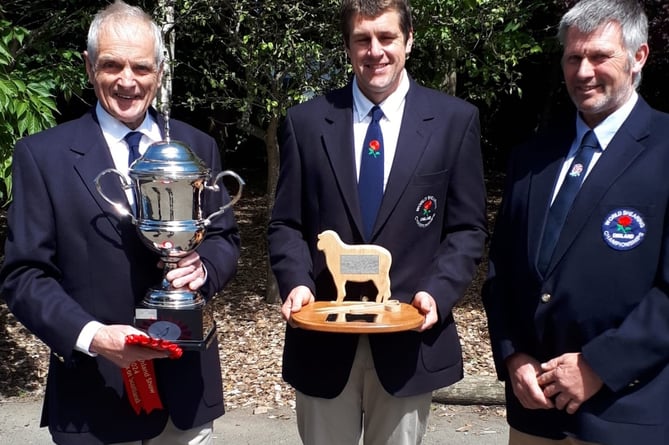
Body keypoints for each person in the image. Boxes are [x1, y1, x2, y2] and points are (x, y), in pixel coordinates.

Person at [0, 1, 240, 444]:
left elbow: (224, 239)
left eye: (141, 67)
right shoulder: (42, 157)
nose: (127, 80)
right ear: (91, 68)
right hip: (95, 396)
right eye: (112, 65)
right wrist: (92, 337)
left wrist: (203, 269)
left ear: (159, 72)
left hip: (185, 396)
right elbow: (24, 276)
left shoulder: (197, 146)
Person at [267, 0, 487, 443]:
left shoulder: (454, 122)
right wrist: (296, 283)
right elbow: (286, 224)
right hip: (323, 339)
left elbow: (467, 229)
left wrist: (438, 293)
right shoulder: (305, 123)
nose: (375, 51)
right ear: (348, 47)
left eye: (386, 37)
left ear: (408, 40)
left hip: (407, 340)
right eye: (362, 39)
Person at [482, 0, 669, 444]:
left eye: (600, 56)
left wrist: (598, 366)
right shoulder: (532, 156)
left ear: (638, 56)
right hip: (535, 412)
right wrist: (513, 355)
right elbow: (501, 270)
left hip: (625, 412)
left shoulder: (666, 150)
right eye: (573, 57)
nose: (583, 71)